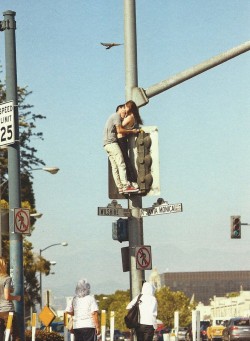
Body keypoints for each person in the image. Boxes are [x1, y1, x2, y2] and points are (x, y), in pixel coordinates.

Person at [103, 104, 140, 194]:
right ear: (120, 109)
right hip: (112, 143)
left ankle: (120, 187)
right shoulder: (116, 116)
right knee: (121, 164)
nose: (125, 113)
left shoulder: (112, 116)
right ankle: (126, 186)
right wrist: (132, 131)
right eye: (124, 109)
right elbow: (119, 130)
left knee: (114, 167)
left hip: (106, 145)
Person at [117, 100, 143, 189]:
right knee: (126, 160)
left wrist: (120, 116)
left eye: (125, 107)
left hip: (121, 139)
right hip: (124, 139)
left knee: (125, 161)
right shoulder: (133, 117)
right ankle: (132, 180)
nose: (124, 109)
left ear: (129, 108)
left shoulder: (129, 117)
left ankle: (132, 180)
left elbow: (119, 126)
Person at [0, 257, 21, 341]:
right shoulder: (7, 279)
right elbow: (7, 297)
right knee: (15, 335)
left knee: (1, 335)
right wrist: (16, 297)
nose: (7, 265)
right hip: (7, 311)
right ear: (3, 266)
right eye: (5, 264)